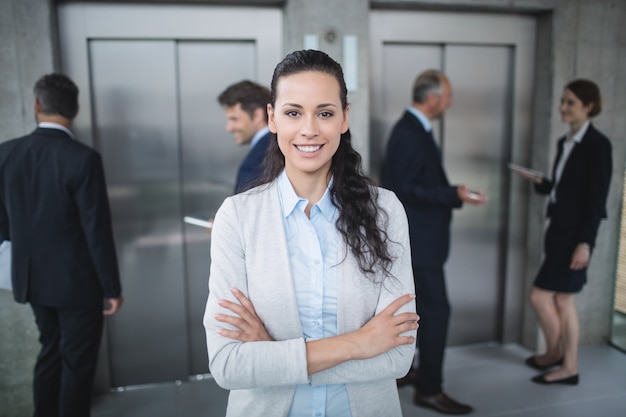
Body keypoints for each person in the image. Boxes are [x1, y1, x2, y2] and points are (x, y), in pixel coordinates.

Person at [203, 49, 419, 417]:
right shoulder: (237, 217)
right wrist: (360, 343)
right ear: (272, 118)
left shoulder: (385, 212)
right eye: (293, 113)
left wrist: (274, 354)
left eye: (325, 113)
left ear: (344, 118)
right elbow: (229, 364)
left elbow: (397, 358)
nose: (309, 129)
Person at [0, 73, 123, 417]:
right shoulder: (82, 158)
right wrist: (111, 287)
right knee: (77, 364)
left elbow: (3, 224)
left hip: (30, 279)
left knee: (49, 350)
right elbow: (95, 230)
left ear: (37, 105)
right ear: (76, 109)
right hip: (76, 284)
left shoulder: (6, 154)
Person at [382, 69, 487, 415]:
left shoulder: (414, 130)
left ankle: (409, 370)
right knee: (436, 312)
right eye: (447, 96)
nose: (450, 102)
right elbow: (405, 189)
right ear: (432, 99)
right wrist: (452, 193)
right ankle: (430, 389)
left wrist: (451, 193)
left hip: (422, 241)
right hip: (420, 244)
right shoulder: (410, 133)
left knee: (418, 311)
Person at [511, 79, 612, 386]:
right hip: (557, 231)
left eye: (570, 102)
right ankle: (559, 358)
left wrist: (585, 243)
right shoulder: (564, 142)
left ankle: (563, 362)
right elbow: (565, 190)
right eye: (562, 101)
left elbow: (595, 201)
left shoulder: (598, 145)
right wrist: (542, 183)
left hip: (575, 237)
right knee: (559, 300)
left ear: (588, 107)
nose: (562, 107)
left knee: (546, 298)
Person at [217, 80, 272, 193]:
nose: (229, 128)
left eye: (234, 119)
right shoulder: (278, 146)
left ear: (257, 115)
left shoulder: (256, 163)